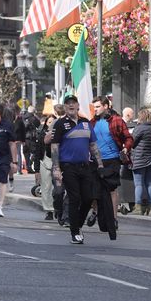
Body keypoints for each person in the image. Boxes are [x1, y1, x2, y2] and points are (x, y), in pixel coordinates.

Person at [51, 95, 104, 244]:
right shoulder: (60, 124)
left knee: (87, 198)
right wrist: (56, 168)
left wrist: (99, 164)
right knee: (75, 198)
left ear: (78, 105)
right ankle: (74, 232)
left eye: (73, 103)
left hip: (85, 166)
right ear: (65, 107)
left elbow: (93, 145)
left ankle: (78, 225)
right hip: (68, 167)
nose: (71, 106)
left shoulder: (86, 123)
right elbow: (55, 147)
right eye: (68, 104)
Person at [91, 96, 132, 233]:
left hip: (112, 159)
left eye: (97, 107)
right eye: (94, 107)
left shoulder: (117, 120)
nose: (95, 109)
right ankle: (96, 212)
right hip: (96, 160)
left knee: (111, 189)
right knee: (95, 189)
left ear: (106, 106)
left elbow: (128, 138)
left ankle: (114, 218)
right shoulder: (92, 122)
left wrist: (126, 148)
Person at [130, 108, 151, 215]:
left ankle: (138, 207)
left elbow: (132, 143)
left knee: (138, 184)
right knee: (150, 183)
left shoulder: (139, 128)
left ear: (140, 117)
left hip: (139, 159)